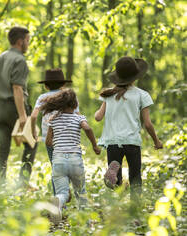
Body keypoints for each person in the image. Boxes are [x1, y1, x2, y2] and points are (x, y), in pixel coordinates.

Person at [94, 56, 163, 199]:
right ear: (135, 76)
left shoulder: (110, 94)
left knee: (116, 179)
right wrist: (156, 141)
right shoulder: (141, 95)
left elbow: (98, 117)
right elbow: (148, 124)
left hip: (112, 141)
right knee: (135, 176)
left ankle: (117, 206)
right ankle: (135, 210)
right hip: (132, 142)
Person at [41, 88, 101, 224]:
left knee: (62, 192)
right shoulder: (79, 118)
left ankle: (59, 203)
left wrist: (57, 145)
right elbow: (88, 128)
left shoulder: (53, 120)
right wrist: (94, 145)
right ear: (75, 105)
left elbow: (48, 142)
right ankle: (85, 221)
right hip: (75, 160)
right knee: (81, 193)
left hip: (58, 160)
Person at [0, 26, 37, 186]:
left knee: (2, 150)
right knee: (32, 144)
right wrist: (23, 116)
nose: (28, 44)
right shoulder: (20, 60)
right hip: (13, 109)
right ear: (20, 41)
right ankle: (22, 184)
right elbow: (17, 88)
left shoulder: (1, 57)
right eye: (27, 40)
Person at [30, 68, 77, 195]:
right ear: (63, 84)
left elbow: (34, 116)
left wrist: (34, 131)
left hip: (49, 140)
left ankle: (59, 199)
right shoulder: (69, 96)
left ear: (45, 85)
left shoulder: (42, 97)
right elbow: (77, 116)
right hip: (67, 138)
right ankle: (68, 192)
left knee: (56, 168)